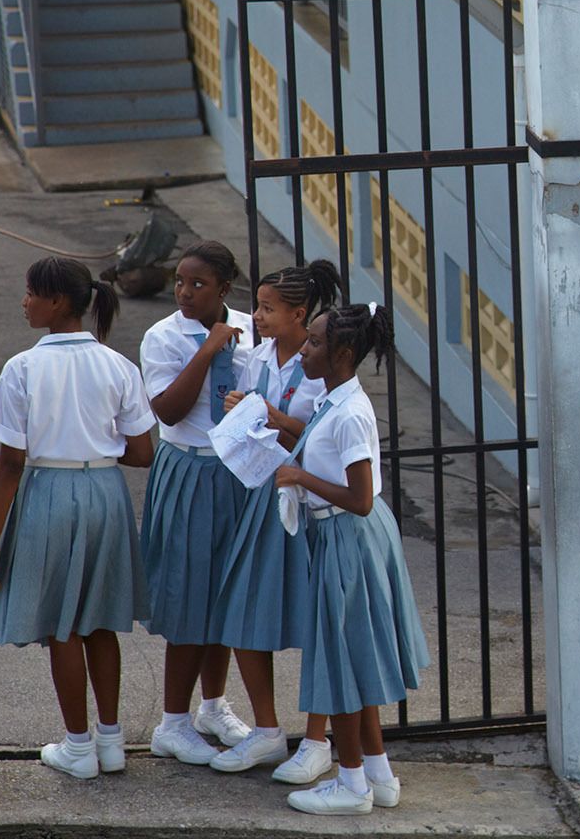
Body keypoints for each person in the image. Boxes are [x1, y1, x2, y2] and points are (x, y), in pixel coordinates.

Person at [0, 258, 157, 779]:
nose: (24, 302)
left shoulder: (23, 368)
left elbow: (11, 461)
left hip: (49, 489)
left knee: (61, 626)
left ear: (56, 302)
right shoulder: (119, 365)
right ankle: (112, 741)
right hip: (105, 492)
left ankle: (78, 746)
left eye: (30, 294)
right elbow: (143, 452)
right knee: (99, 620)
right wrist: (95, 448)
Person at [277, 304, 430, 815]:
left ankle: (351, 785)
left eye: (314, 343)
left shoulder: (348, 412)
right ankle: (378, 775)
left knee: (339, 664)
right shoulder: (333, 397)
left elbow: (360, 497)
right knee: (356, 660)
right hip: (343, 536)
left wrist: (300, 479)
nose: (303, 349)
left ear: (343, 354)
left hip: (349, 536)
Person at [209, 260, 341, 781]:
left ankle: (316, 738)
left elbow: (319, 434)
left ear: (299, 315)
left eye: (267, 309)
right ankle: (267, 731)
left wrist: (273, 416)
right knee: (243, 608)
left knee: (318, 622)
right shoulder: (256, 356)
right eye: (258, 307)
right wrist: (238, 407)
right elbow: (250, 419)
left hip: (306, 505)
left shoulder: (319, 364)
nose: (257, 317)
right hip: (261, 495)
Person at [137, 240, 256, 764]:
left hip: (237, 472)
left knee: (225, 591)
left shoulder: (253, 328)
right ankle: (172, 722)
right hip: (189, 468)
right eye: (180, 282)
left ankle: (213, 705)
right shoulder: (163, 337)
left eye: (198, 284)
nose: (184, 292)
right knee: (188, 594)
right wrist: (208, 350)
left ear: (224, 290)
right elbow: (167, 410)